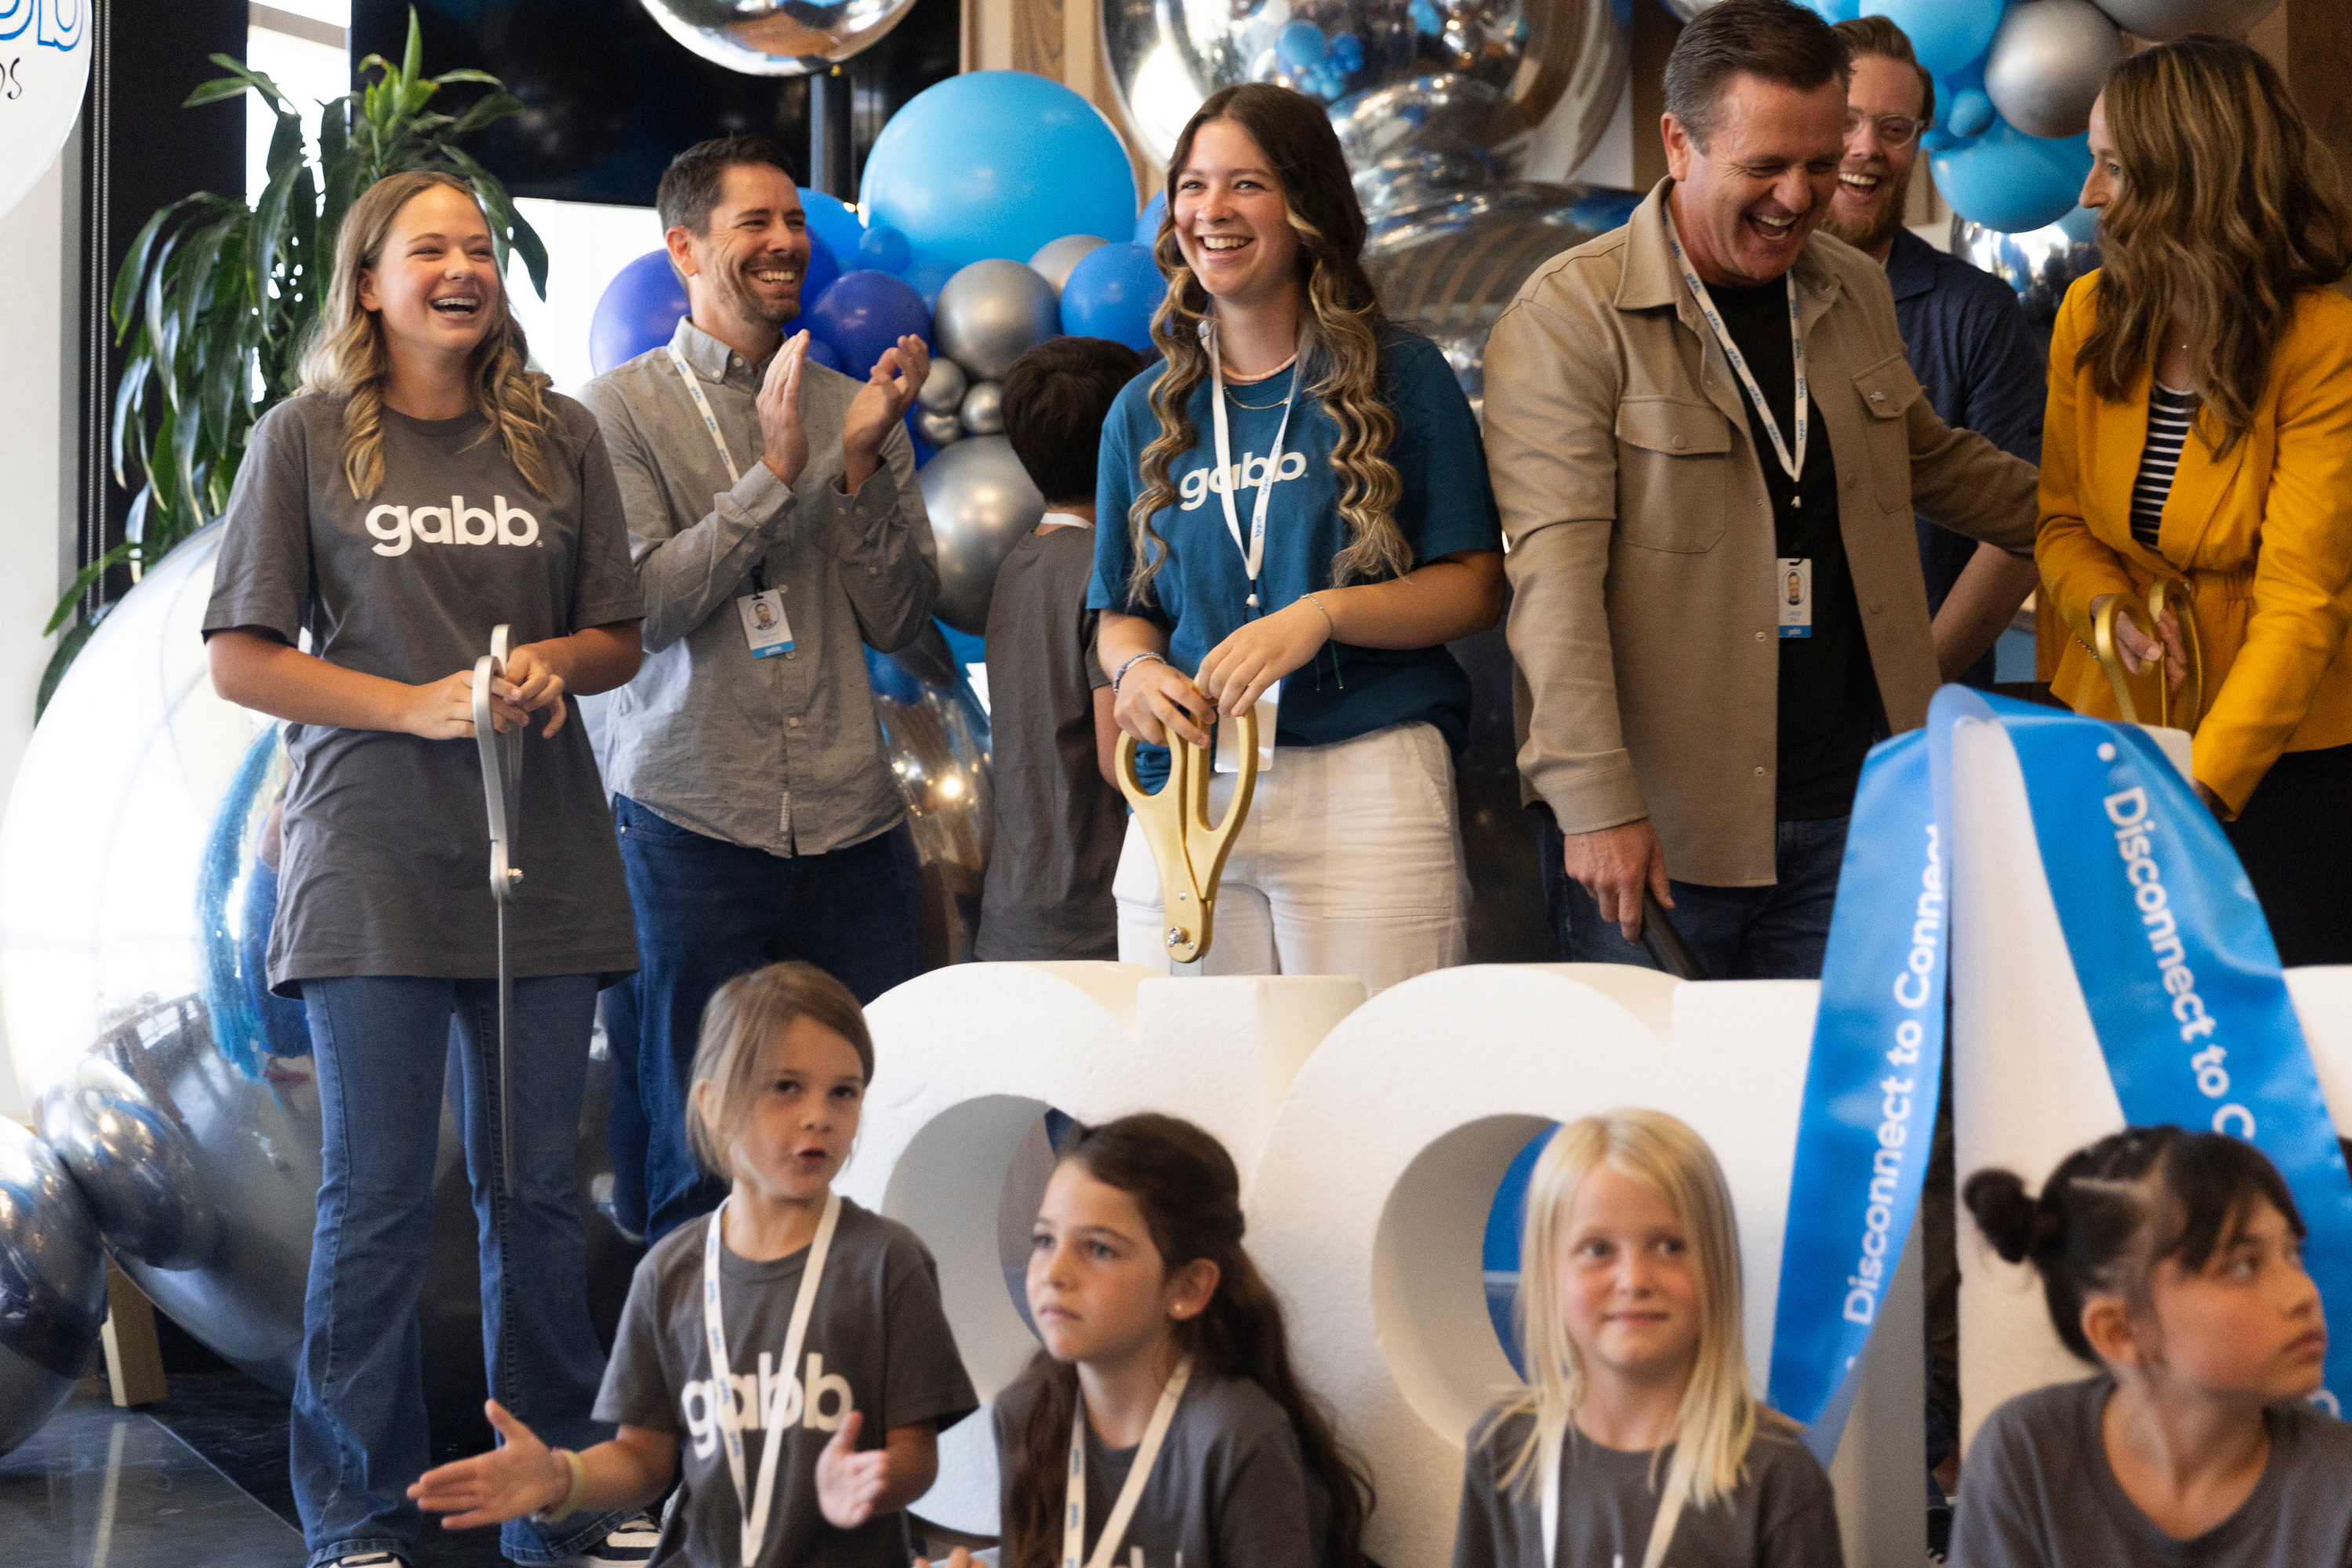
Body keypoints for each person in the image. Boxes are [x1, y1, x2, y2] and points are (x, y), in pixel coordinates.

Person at [202, 169, 652, 1568]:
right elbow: (241, 657)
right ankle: (356, 1510)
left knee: (530, 1199)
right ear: (370, 282)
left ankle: (555, 1507)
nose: (463, 268)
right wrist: (413, 702)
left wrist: (538, 672)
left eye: (478, 249)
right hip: (371, 863)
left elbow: (616, 636)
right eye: (429, 249)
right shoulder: (305, 442)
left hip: (546, 857)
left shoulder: (560, 438)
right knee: (379, 1196)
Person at [1483, 0, 2038, 982]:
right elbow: (1554, 587)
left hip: (1856, 809)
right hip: (1661, 834)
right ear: (1679, 143)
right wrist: (1596, 800)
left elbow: (1931, 459)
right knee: (1664, 1127)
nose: (1800, 196)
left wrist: (2117, 515)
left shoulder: (1848, 288)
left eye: (1820, 165)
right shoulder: (1570, 317)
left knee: (1824, 1121)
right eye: (1765, 168)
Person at [579, 135, 938, 1244]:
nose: (788, 243)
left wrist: (862, 470)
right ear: (685, 247)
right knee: (696, 1150)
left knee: (886, 1129)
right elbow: (644, 612)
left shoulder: (851, 404)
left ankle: (854, 1388)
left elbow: (902, 620)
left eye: (795, 222)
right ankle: (690, 1413)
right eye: (757, 223)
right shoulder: (614, 414)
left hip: (852, 826)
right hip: (690, 825)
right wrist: (773, 477)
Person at [1092, 82, 1505, 993]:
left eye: (1247, 184)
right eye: (1193, 186)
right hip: (1190, 785)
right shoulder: (1143, 410)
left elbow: (1476, 585)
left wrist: (1321, 615)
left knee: (1375, 1097)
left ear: (1306, 203)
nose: (1212, 211)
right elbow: (1122, 614)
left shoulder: (1402, 373)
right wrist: (1135, 671)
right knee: (1186, 1108)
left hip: (1368, 776)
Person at [409, 962, 980, 1567]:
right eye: (786, 1086)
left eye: (844, 1090)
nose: (819, 1114)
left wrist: (874, 1480)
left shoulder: (889, 1262)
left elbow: (917, 1455)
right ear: (712, 1102)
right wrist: (560, 1477)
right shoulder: (672, 1272)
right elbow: (645, 1460)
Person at [2037, 37, 2352, 967]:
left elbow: (2304, 604)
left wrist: (2197, 795)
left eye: (2115, 166)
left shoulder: (2323, 341)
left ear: (2197, 179)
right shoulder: (2088, 315)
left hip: (2281, 764)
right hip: (2116, 733)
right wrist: (2110, 612)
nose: (2088, 192)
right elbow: (2057, 525)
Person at [919, 1112, 1370, 1568]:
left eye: (1099, 1249)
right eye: (1044, 1240)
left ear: (1188, 1288)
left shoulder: (1235, 1436)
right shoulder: (1027, 1413)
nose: (1053, 1273)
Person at [1451, 1110, 1842, 1567]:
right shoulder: (1505, 1451)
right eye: (1597, 1249)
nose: (1634, 1280)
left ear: (1717, 1268)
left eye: (1669, 1246)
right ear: (1548, 1274)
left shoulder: (1778, 1479)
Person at [1951, 1127, 2350, 1565]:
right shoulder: (2027, 1453)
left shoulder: (2339, 1482)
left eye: (2293, 1253)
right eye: (2242, 1266)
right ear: (2120, 1332)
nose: (2304, 1294)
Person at [1824, 14, 2045, 691]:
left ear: (1920, 141)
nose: (1867, 149)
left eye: (1895, 130)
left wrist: (1908, 690)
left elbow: (2021, 533)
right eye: (1847, 122)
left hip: (1930, 712)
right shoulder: (1748, 293)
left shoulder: (1976, 313)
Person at [976, 336, 1147, 961]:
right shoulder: (1107, 574)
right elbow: (1118, 760)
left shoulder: (1018, 562)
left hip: (1016, 909)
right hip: (1097, 917)